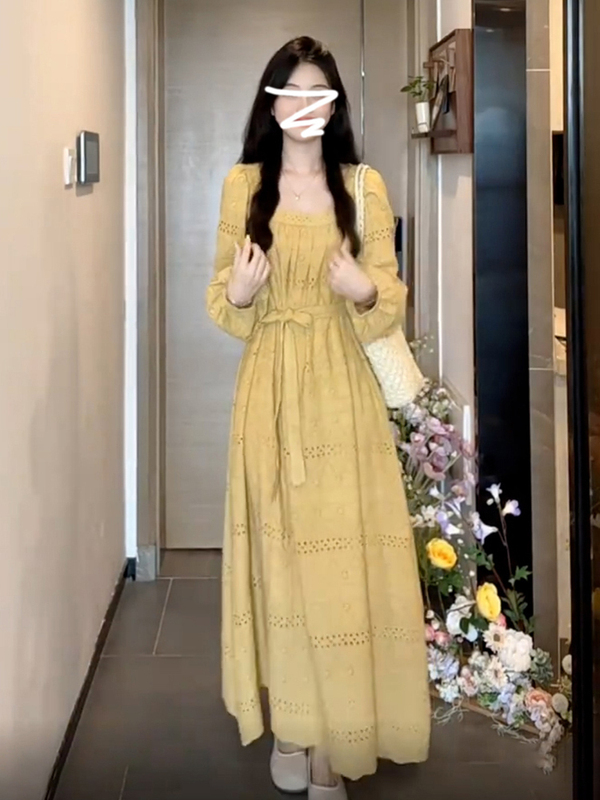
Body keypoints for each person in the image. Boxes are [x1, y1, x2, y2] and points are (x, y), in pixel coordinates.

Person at [206, 35, 430, 800]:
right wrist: (240, 295)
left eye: (318, 92)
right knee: (283, 566)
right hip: (268, 393)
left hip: (344, 395)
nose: (304, 105)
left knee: (342, 568)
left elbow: (389, 296)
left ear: (334, 107)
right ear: (272, 106)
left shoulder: (364, 187)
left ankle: (334, 742)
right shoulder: (243, 186)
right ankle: (294, 726)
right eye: (291, 92)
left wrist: (363, 289)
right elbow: (221, 299)